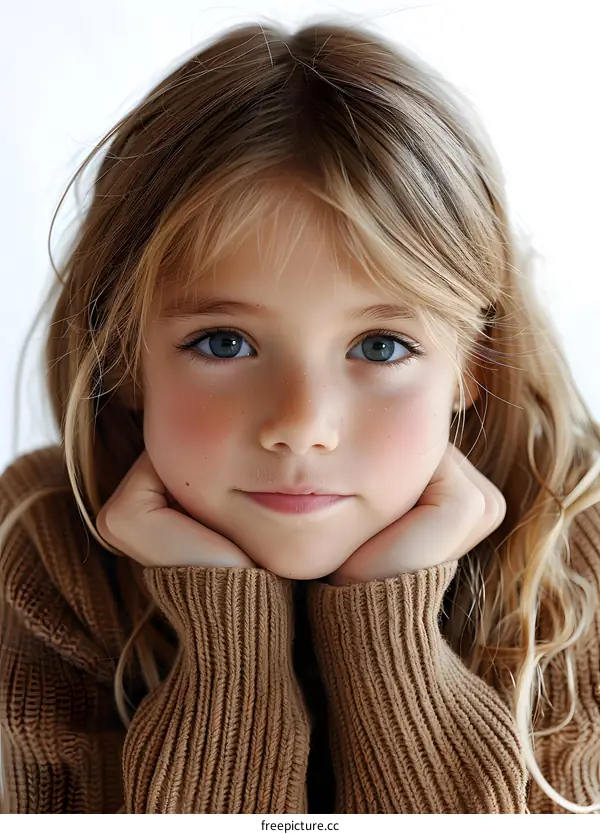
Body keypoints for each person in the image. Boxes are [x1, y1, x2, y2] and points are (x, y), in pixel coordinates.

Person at [1, 17, 600, 816]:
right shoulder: (41, 550)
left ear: (473, 368)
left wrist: (389, 644)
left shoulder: (573, 552)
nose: (302, 424)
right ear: (124, 356)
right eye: (224, 342)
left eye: (382, 346)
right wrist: (228, 650)